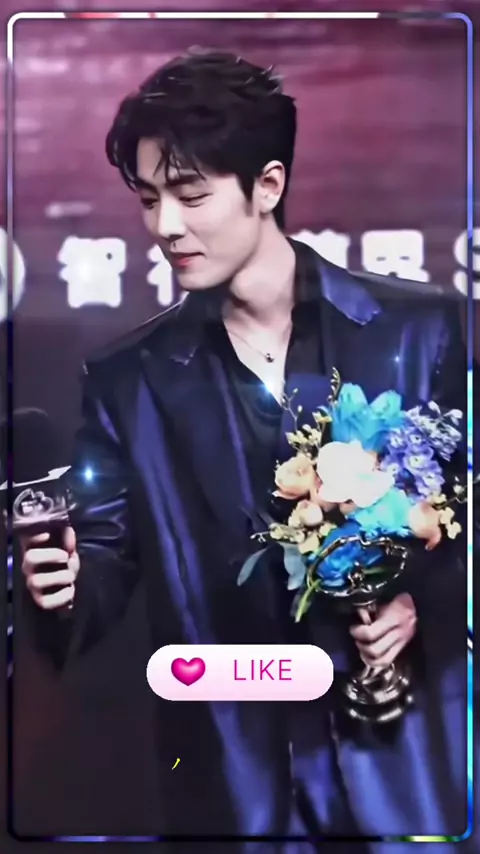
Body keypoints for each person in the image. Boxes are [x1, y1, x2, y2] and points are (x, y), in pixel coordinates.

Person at [20, 49, 475, 853]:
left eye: (190, 195)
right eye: (149, 198)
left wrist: (419, 605)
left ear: (267, 186)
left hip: (401, 771)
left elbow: (462, 519)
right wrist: (61, 588)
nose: (165, 226)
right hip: (237, 785)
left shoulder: (415, 331)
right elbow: (105, 560)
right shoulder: (129, 379)